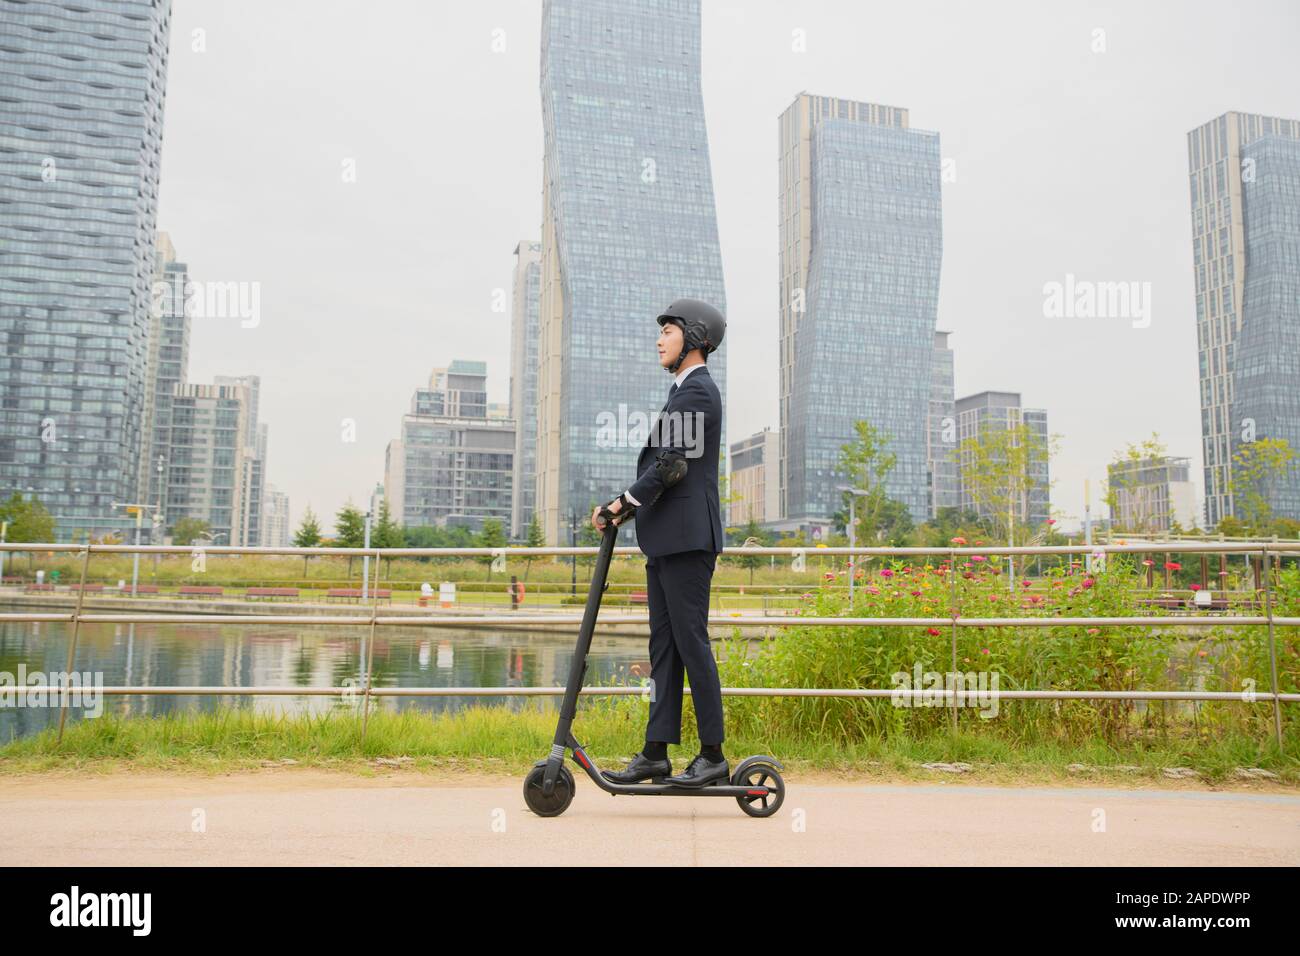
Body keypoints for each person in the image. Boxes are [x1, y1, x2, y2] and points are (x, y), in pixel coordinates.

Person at [591, 298, 728, 788]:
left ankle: (712, 755)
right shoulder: (681, 393)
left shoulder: (698, 393)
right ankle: (655, 752)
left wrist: (620, 505)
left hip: (688, 541)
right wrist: (623, 504)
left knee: (692, 643)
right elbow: (664, 466)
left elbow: (671, 466)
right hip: (668, 540)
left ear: (693, 337)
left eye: (667, 331)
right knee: (665, 649)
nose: (659, 339)